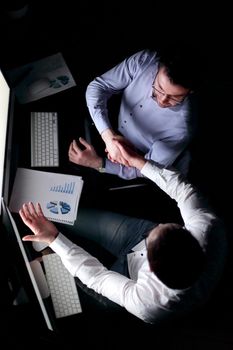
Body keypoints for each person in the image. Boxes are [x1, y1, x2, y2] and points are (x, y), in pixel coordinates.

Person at [19, 140, 227, 324]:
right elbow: (183, 189)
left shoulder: (147, 305)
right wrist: (138, 161)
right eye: (169, 226)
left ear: (151, 268)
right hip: (134, 234)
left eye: (155, 235)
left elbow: (97, 278)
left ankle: (47, 260)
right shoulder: (207, 227)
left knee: (61, 291)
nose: (158, 227)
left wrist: (53, 238)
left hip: (127, 280)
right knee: (62, 213)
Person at [69, 45, 203, 179]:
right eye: (159, 87)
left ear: (190, 91)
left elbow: (148, 170)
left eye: (175, 97)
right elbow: (97, 87)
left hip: (134, 161)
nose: (162, 100)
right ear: (158, 66)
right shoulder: (145, 61)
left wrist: (98, 164)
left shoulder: (183, 129)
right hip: (107, 126)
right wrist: (108, 137)